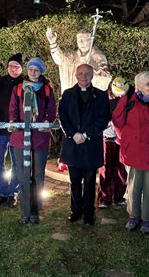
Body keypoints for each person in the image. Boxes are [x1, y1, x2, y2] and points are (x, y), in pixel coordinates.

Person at [112, 71, 149, 234]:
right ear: (138, 86)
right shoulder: (128, 100)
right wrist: (127, 139)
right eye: (148, 84)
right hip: (134, 151)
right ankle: (134, 215)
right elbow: (117, 121)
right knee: (134, 186)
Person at [59, 64, 110, 226]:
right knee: (74, 182)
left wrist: (87, 135)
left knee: (89, 182)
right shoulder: (67, 95)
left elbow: (103, 119)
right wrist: (73, 134)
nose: (83, 76)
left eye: (87, 73)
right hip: (73, 144)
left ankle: (88, 214)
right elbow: (63, 116)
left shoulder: (101, 96)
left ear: (92, 75)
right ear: (75, 75)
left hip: (90, 144)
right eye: (80, 73)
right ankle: (75, 211)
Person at [8, 58, 57, 224]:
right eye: (31, 69)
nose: (33, 72)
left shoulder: (47, 90)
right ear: (27, 70)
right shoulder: (19, 88)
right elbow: (13, 109)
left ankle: (35, 210)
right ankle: (25, 211)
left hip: (40, 138)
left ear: (41, 71)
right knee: (22, 174)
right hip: (21, 138)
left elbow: (51, 110)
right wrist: (14, 122)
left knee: (37, 175)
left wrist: (47, 121)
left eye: (37, 69)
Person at [0, 53, 24, 208]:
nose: (13, 69)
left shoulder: (25, 83)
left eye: (17, 66)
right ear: (7, 67)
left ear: (21, 68)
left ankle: (13, 193)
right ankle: (3, 192)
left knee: (17, 164)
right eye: (11, 66)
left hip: (17, 131)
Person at [46, 27, 112, 94]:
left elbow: (105, 80)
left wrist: (93, 72)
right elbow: (60, 59)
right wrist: (53, 43)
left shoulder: (97, 56)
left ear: (90, 41)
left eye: (84, 40)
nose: (81, 43)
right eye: (79, 40)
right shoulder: (72, 57)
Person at [97, 76, 129, 209]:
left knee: (121, 169)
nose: (120, 96)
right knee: (105, 168)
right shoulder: (103, 99)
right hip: (106, 138)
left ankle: (119, 196)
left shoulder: (127, 100)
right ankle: (104, 198)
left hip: (121, 139)